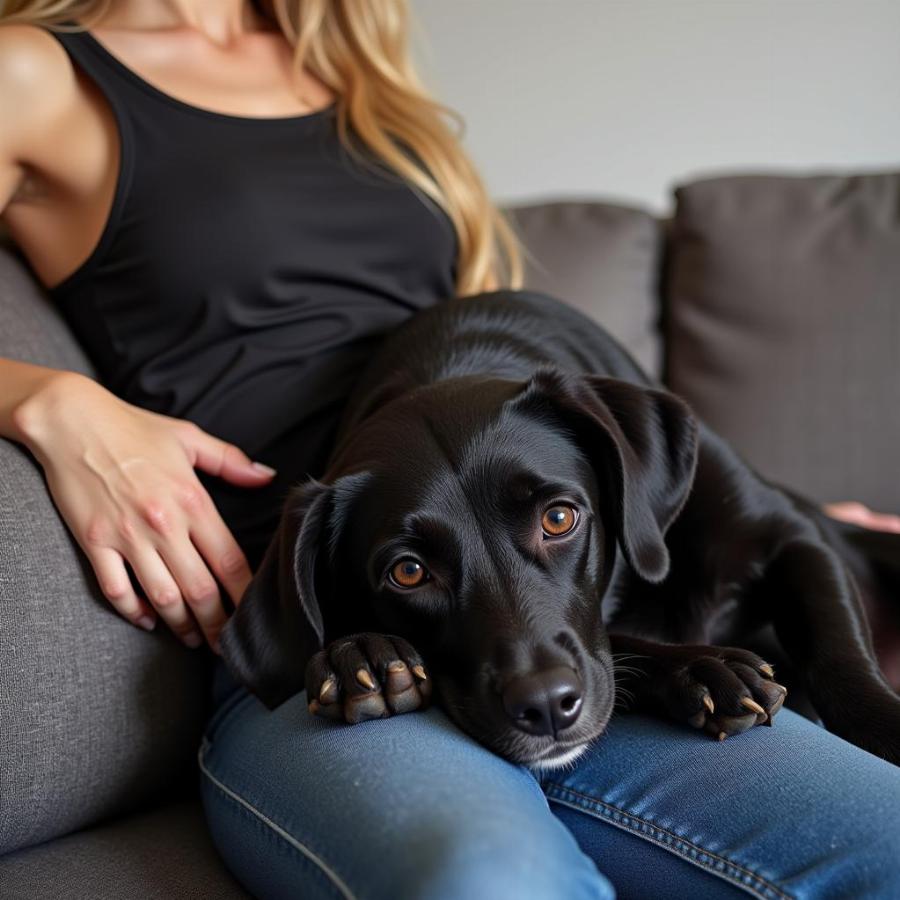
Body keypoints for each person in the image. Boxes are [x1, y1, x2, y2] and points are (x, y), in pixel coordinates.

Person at [1, 2, 898, 897]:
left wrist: (783, 516)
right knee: (487, 883)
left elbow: (509, 445)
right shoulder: (35, 73)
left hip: (560, 624)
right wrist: (51, 398)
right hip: (324, 642)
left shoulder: (349, 66)